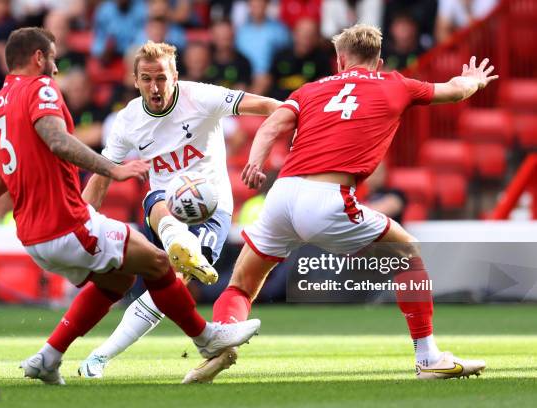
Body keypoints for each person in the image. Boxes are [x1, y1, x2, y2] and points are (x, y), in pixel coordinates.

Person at [184, 24, 497, 383]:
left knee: (241, 283)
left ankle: (221, 344)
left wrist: (255, 162)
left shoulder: (309, 90)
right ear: (378, 61)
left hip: (282, 194)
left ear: (339, 60)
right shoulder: (395, 83)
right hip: (328, 198)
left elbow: (271, 126)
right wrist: (475, 80)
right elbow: (455, 91)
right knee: (407, 251)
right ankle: (428, 357)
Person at [0, 27, 261, 385]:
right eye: (52, 58)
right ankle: (205, 337)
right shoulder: (40, 88)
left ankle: (49, 356)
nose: (55, 68)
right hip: (69, 220)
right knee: (159, 264)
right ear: (39, 57)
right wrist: (112, 168)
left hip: (32, 234)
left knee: (122, 277)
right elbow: (57, 141)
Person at [77, 40, 281, 379]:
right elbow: (102, 176)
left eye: (161, 78)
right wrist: (81, 225)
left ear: (176, 76)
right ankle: (177, 244)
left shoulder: (201, 97)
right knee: (156, 200)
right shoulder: (128, 120)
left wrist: (303, 121)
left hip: (211, 206)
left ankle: (99, 357)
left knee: (171, 284)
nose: (154, 87)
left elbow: (269, 106)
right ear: (135, 79)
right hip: (164, 205)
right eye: (146, 79)